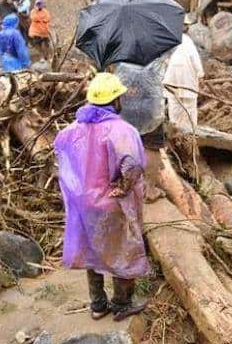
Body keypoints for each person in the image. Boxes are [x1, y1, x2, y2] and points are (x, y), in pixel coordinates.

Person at [54, 72, 149, 321]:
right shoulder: (121, 130)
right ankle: (121, 303)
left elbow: (63, 160)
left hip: (85, 204)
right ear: (116, 100)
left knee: (91, 250)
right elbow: (132, 165)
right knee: (123, 249)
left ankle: (97, 304)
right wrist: (124, 187)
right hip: (111, 203)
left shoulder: (71, 130)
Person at [162, 34, 204, 134]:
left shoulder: (166, 37)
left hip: (172, 77)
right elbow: (194, 56)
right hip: (187, 76)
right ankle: (190, 134)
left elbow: (164, 58)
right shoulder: (186, 39)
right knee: (189, 107)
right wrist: (200, 73)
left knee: (174, 106)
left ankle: (175, 133)